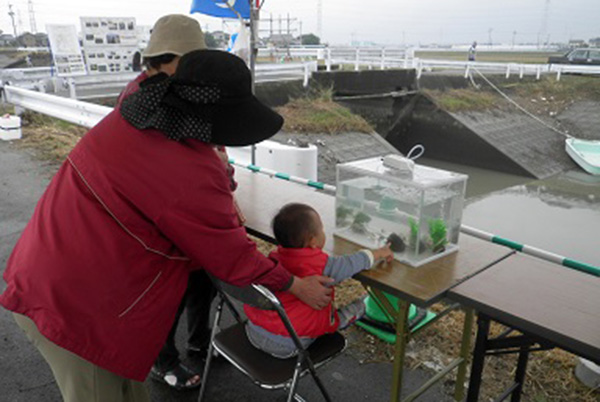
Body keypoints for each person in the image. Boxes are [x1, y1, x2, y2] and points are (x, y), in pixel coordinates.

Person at [0, 50, 333, 402]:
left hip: (51, 272)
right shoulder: (189, 171)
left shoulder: (141, 114)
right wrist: (295, 284)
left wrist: (220, 176)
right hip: (79, 313)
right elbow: (234, 259)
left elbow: (191, 195)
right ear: (215, 118)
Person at [117, 14, 214, 391]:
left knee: (201, 282)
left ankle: (200, 342)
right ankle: (163, 360)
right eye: (186, 61)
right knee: (167, 294)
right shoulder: (139, 98)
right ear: (161, 59)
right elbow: (148, 167)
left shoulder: (180, 89)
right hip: (160, 218)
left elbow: (206, 141)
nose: (193, 70)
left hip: (189, 212)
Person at [244, 203, 394, 358]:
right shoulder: (322, 265)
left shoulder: (273, 260)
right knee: (357, 307)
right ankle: (362, 307)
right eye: (321, 229)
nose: (324, 232)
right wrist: (380, 252)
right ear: (312, 241)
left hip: (254, 331)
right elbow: (352, 263)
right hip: (291, 344)